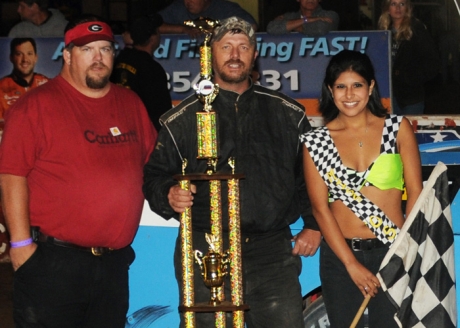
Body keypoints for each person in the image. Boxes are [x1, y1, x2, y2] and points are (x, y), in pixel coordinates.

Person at [143, 16, 321, 327]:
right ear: (212, 54)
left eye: (242, 47)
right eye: (226, 47)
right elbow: (154, 175)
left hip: (271, 254)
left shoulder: (288, 114)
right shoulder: (181, 119)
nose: (235, 55)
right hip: (204, 252)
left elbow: (311, 176)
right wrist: (167, 194)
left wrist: (314, 224)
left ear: (254, 55)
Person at [0, 17, 156, 327]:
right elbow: (11, 175)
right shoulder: (35, 106)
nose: (98, 58)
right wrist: (20, 246)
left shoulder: (130, 103)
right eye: (87, 50)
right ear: (68, 55)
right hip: (52, 263)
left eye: (105, 49)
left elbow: (155, 164)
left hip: (113, 265)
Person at [301, 50, 422, 327]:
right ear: (331, 91)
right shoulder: (315, 142)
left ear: (370, 87)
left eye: (357, 85)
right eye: (341, 86)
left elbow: (416, 191)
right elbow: (320, 209)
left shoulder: (398, 128)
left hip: (392, 252)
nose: (349, 94)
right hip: (341, 258)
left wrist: (403, 249)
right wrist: (351, 265)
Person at [111, 14, 172, 131]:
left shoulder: (118, 61)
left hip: (119, 129)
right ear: (153, 39)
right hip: (144, 133)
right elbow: (162, 114)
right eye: (158, 33)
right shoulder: (152, 69)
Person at [378, 0, 439, 115]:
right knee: (391, 131)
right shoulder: (383, 31)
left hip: (411, 97)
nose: (398, 8)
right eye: (393, 4)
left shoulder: (416, 29)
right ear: (387, 8)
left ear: (407, 7)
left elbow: (433, 62)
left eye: (402, 4)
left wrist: (410, 78)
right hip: (387, 94)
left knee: (409, 130)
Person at [0, 38, 49, 119]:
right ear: (11, 58)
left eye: (29, 54)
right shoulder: (1, 88)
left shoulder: (48, 85)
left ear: (35, 57)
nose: (25, 59)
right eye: (19, 54)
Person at [158, 0, 258, 38]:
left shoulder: (224, 8)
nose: (188, 2)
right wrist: (183, 29)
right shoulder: (177, 8)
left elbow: (251, 26)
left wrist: (215, 30)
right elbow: (151, 25)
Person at [266, 0, 339, 36]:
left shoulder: (329, 15)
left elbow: (318, 29)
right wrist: (305, 20)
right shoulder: (291, 16)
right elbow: (271, 28)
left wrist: (291, 26)